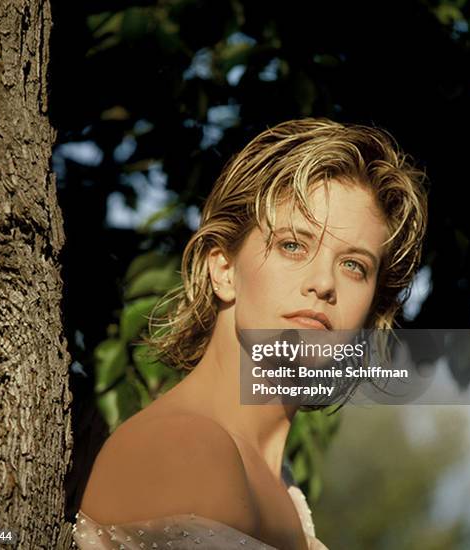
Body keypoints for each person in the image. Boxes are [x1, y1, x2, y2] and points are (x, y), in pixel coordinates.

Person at [72, 118, 428, 549]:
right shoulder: (189, 447)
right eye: (293, 245)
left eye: (354, 265)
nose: (324, 283)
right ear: (223, 270)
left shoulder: (282, 484)